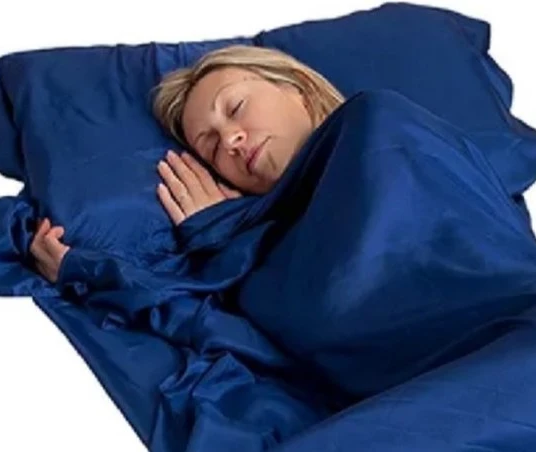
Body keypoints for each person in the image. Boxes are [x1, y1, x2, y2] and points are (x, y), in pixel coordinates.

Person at [29, 45, 346, 284]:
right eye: (212, 146)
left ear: (296, 89)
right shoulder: (257, 243)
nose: (230, 141)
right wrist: (221, 234)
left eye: (236, 107)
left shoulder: (370, 124)